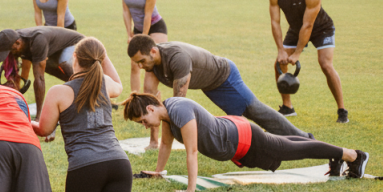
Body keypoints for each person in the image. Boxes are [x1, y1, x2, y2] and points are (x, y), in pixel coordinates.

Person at [32, 37, 181, 192]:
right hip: (119, 162)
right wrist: (103, 53)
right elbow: (119, 85)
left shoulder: (60, 91)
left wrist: (24, 120)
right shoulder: (105, 84)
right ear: (100, 60)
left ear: (74, 58)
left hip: (86, 166)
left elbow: (44, 129)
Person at [122, 93, 369, 192]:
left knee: (290, 150)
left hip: (242, 137)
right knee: (284, 144)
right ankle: (337, 155)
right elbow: (165, 146)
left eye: (143, 119)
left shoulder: (179, 111)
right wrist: (157, 172)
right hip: (237, 134)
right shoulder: (168, 115)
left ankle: (352, 156)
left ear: (151, 108)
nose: (145, 125)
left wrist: (190, 189)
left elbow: (192, 151)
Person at [127, 36, 310, 138]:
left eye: (142, 61)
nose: (141, 67)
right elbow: (151, 100)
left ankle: (303, 137)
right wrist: (153, 140)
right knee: (236, 121)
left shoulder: (176, 58)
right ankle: (276, 141)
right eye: (138, 64)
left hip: (225, 76)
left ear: (153, 51)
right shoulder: (151, 64)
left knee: (255, 111)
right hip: (210, 86)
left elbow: (179, 103)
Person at [268, 0, 347, 122]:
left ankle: (342, 110)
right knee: (279, 63)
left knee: (325, 64)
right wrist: (281, 50)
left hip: (321, 28)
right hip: (297, 29)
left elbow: (308, 25)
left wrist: (297, 53)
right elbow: (275, 22)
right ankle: (287, 107)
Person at [120, 0, 167, 148]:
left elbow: (147, 16)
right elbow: (125, 10)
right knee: (133, 67)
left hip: (154, 29)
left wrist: (140, 38)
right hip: (136, 31)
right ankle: (135, 100)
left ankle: (154, 140)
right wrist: (129, 34)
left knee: (149, 78)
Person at [0, 27, 84, 119]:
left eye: (11, 51)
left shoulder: (38, 40)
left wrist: (38, 117)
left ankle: (87, 88)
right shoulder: (16, 38)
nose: (10, 54)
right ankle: (80, 88)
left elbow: (39, 78)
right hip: (56, 49)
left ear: (18, 43)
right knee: (45, 66)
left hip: (76, 43)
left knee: (61, 62)